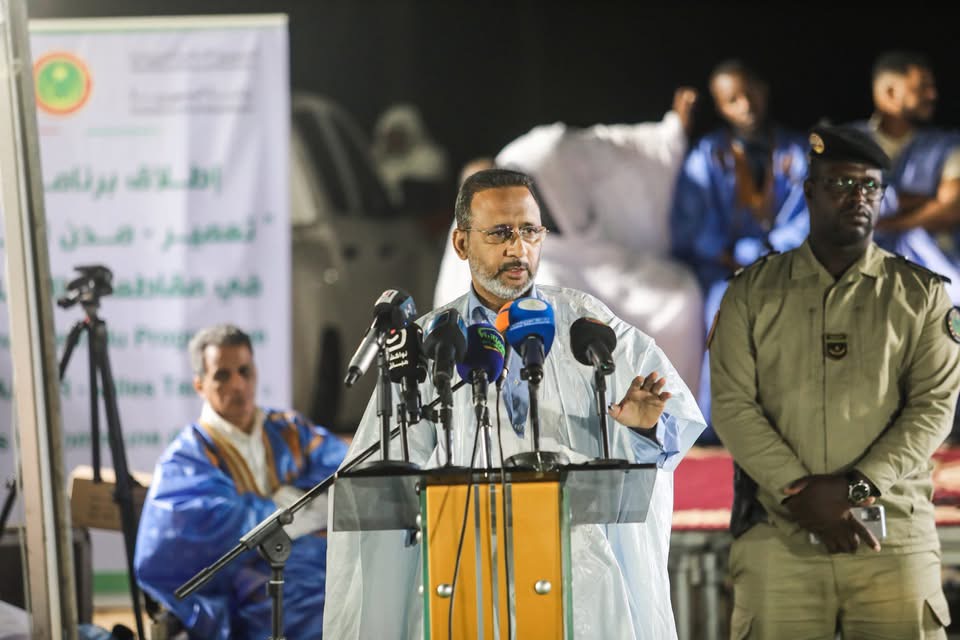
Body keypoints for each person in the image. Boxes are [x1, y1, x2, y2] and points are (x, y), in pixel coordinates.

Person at [323, 168, 707, 639]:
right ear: (461, 243)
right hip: (461, 569)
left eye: (529, 231)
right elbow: (379, 474)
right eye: (500, 233)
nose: (518, 248)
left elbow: (673, 427)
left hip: (575, 576)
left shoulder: (587, 326)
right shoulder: (433, 343)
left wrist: (645, 428)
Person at [709, 125, 960, 638]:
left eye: (870, 186)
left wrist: (856, 487)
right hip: (780, 534)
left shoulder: (922, 295)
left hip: (892, 533)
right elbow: (732, 406)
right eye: (842, 184)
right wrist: (798, 494)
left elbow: (933, 408)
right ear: (810, 191)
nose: (858, 197)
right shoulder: (751, 293)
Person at [433, 87, 705, 393]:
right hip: (548, 282)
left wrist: (669, 134)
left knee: (680, 299)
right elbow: (457, 302)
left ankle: (671, 406)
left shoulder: (547, 151)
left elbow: (611, 145)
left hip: (594, 261)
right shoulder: (471, 229)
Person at [134, 324, 348, 640]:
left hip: (319, 567)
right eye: (222, 375)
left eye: (245, 371)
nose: (238, 384)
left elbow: (348, 477)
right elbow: (193, 538)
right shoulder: (187, 457)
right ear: (200, 385)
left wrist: (281, 512)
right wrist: (299, 507)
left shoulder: (289, 429)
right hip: (247, 594)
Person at [670, 60, 810, 440]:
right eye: (733, 99)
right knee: (723, 314)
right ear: (720, 106)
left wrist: (771, 250)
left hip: (785, 265)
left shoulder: (799, 151)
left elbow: (810, 214)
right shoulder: (706, 154)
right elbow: (691, 223)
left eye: (750, 94)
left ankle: (792, 425)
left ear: (764, 92)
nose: (745, 105)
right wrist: (734, 255)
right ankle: (719, 427)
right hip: (725, 269)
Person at [860, 50, 960, 303]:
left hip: (935, 279)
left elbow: (951, 210)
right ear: (890, 92)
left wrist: (882, 222)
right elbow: (837, 207)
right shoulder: (848, 142)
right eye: (922, 87)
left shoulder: (945, 144)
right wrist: (926, 202)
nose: (932, 95)